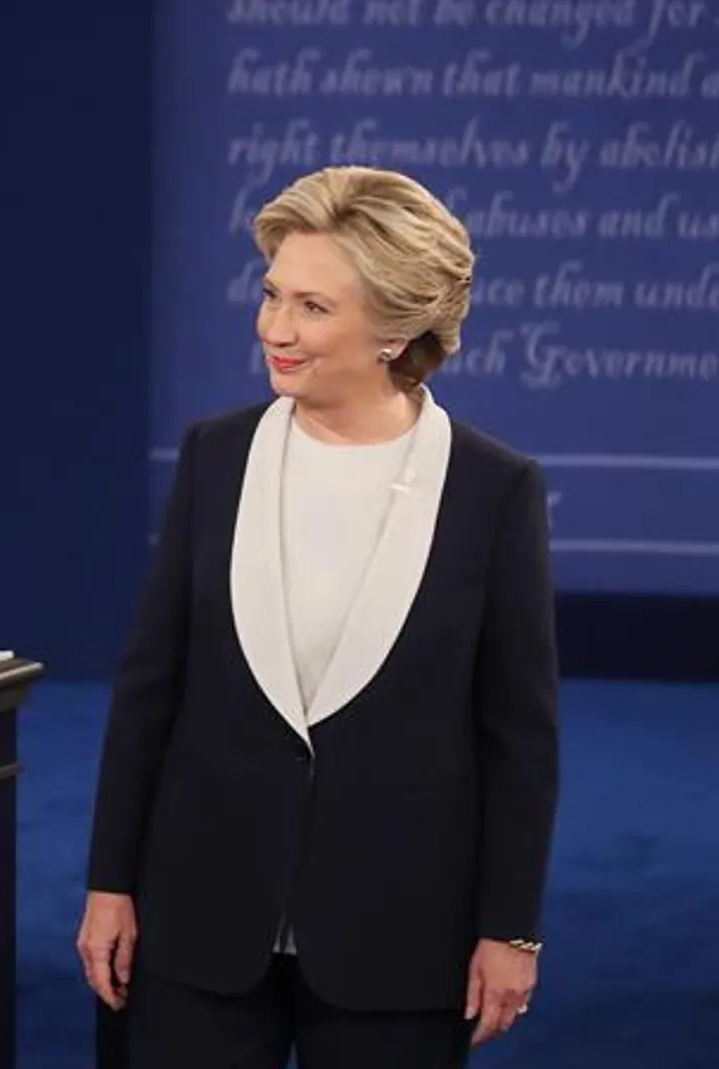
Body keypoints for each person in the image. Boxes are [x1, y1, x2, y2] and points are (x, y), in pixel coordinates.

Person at [76, 166, 560, 1068]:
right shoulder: (216, 456)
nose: (274, 328)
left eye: (312, 307)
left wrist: (511, 930)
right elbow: (151, 689)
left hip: (400, 939)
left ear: (397, 328)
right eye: (270, 295)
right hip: (196, 921)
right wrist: (110, 882)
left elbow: (519, 737)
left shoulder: (495, 490)